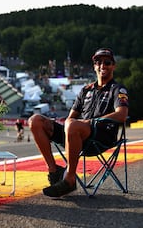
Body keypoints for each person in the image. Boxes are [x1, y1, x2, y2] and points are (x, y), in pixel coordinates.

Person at [28, 48, 129, 197]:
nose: (102, 65)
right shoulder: (85, 90)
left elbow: (122, 115)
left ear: (113, 66)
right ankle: (54, 171)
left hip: (100, 137)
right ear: (94, 66)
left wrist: (89, 122)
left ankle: (69, 179)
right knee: (35, 120)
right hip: (75, 134)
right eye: (98, 62)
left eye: (107, 62)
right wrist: (70, 124)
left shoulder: (118, 89)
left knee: (73, 125)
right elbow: (71, 117)